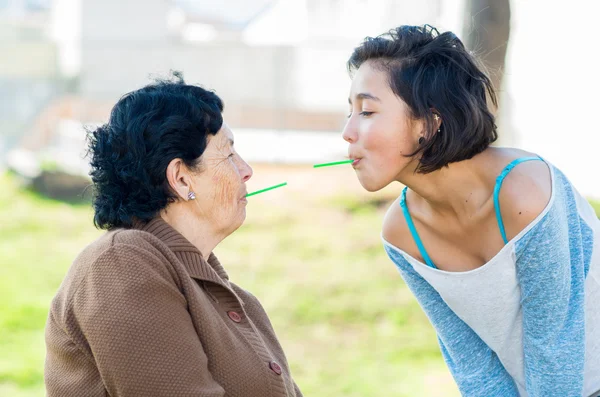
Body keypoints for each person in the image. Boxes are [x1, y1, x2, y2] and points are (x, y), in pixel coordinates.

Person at [342, 25, 600, 396]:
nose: (347, 132)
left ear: (429, 123)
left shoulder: (525, 193)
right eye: (349, 112)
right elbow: (472, 365)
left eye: (366, 111)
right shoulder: (402, 233)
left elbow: (555, 349)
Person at [44, 73, 303, 397]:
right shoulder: (120, 262)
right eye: (229, 154)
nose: (246, 170)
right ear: (181, 179)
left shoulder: (242, 304)